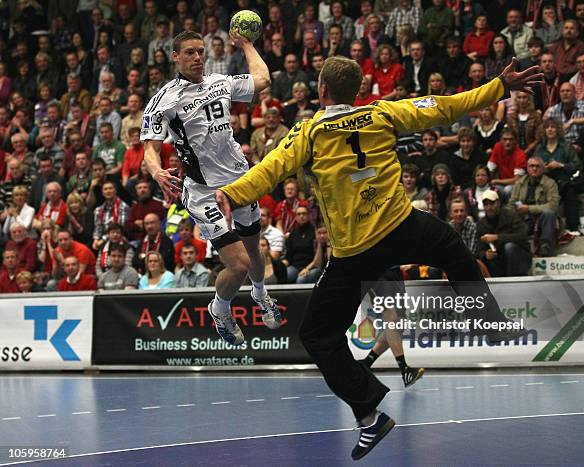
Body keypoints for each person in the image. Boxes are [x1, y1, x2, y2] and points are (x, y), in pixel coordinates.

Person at [214, 55, 540, 459]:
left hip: (355, 251)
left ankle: (369, 414)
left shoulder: (310, 131)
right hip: (403, 225)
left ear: (321, 91)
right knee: (454, 248)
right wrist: (500, 87)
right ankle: (490, 323)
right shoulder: (382, 113)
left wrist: (233, 192)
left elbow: (271, 168)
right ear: (359, 92)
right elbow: (445, 106)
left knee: (318, 337)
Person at [141, 31, 282, 343]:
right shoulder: (165, 100)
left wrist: (246, 45)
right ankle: (220, 309)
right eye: (189, 52)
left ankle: (261, 296)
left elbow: (262, 80)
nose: (197, 58)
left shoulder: (220, 82)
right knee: (240, 264)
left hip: (240, 183)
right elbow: (149, 149)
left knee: (255, 250)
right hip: (204, 192)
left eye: (200, 52)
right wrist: (156, 172)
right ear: (175, 57)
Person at [508, 156, 560, 257]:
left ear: (543, 169)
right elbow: (511, 203)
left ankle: (545, 246)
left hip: (542, 219)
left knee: (549, 213)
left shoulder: (550, 183)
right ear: (527, 168)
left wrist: (529, 208)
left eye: (537, 166)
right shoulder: (519, 183)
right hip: (523, 219)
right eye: (532, 166)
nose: (534, 169)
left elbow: (553, 205)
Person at [477, 189, 532, 277]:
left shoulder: (511, 215)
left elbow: (522, 236)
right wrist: (485, 254)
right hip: (499, 260)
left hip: (520, 256)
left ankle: (513, 280)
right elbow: (479, 249)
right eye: (486, 204)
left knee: (509, 247)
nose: (489, 207)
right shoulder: (481, 224)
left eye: (492, 203)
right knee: (486, 260)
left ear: (498, 203)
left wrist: (497, 237)